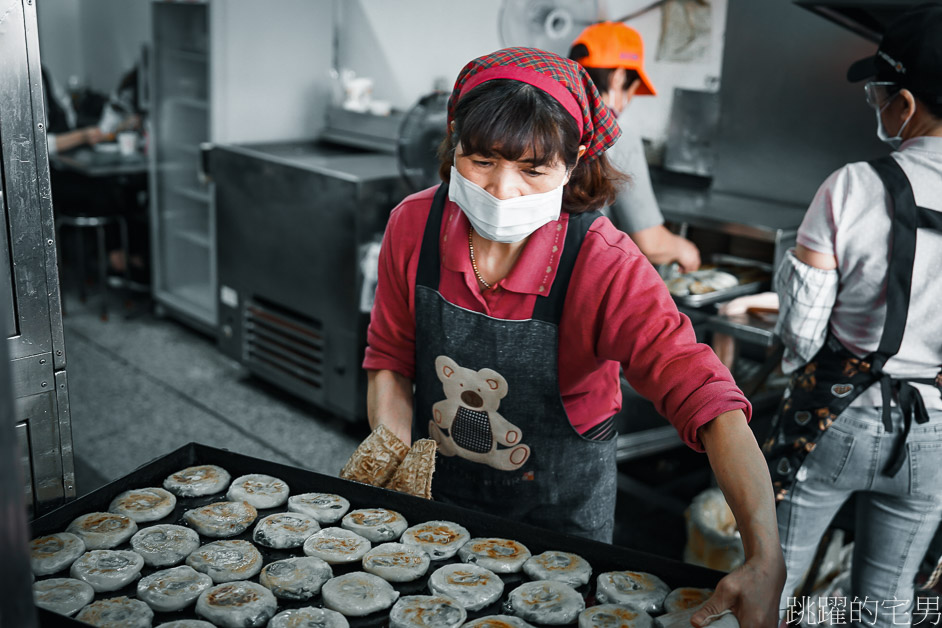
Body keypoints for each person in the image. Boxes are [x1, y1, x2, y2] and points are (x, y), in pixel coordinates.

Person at [363, 47, 783, 627]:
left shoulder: (601, 262)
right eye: (480, 160)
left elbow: (704, 395)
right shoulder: (414, 225)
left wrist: (764, 552)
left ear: (575, 160)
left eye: (533, 170)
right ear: (454, 141)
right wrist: (395, 476)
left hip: (561, 527)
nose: (502, 189)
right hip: (438, 502)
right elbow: (390, 357)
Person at [766, 5, 942, 625]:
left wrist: (789, 357)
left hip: (835, 417)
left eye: (880, 93)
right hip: (935, 436)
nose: (877, 104)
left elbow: (804, 332)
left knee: (770, 581)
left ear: (907, 104)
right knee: (885, 604)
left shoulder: (851, 186)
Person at [569, 21, 701, 272]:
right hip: (583, 274)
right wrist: (685, 250)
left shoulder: (551, 119)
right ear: (619, 77)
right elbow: (650, 243)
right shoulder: (617, 133)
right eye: (632, 87)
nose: (629, 99)